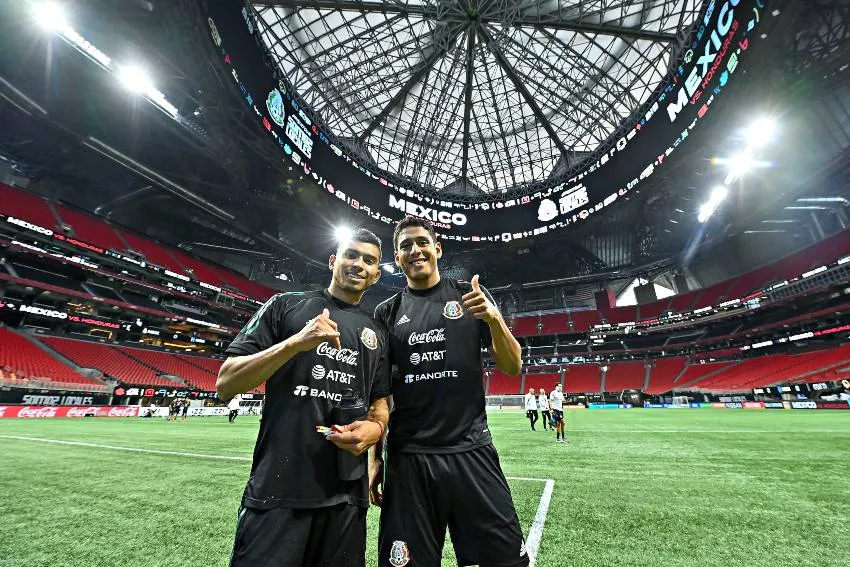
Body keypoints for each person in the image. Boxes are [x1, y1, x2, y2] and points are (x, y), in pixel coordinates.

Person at [217, 228, 391, 567]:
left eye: (369, 260)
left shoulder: (378, 333)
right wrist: (295, 343)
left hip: (345, 497)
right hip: (277, 492)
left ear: (376, 275)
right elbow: (226, 383)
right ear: (333, 260)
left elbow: (380, 402)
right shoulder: (286, 306)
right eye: (350, 255)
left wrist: (377, 429)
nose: (358, 264)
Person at [372, 216, 527, 567]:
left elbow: (513, 365)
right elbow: (379, 391)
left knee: (506, 562)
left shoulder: (469, 296)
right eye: (406, 246)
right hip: (410, 458)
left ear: (437, 249)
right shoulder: (386, 312)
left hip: (471, 449)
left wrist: (494, 319)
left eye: (422, 242)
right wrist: (376, 458)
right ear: (397, 258)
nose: (415, 250)